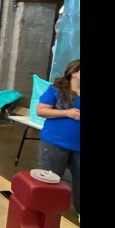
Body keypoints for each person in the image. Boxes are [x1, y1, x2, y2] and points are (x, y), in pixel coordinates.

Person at [35, 58, 80, 217]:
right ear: (73, 73)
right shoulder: (56, 89)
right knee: (51, 179)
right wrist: (67, 113)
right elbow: (40, 111)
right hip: (55, 142)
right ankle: (45, 213)